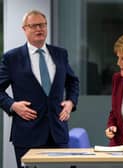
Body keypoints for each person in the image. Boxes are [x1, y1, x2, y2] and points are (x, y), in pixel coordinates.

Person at [0, 10, 79, 168]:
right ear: (24, 29)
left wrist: (71, 102)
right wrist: (12, 105)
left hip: (57, 133)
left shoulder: (60, 54)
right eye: (33, 25)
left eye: (42, 25)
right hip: (27, 133)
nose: (39, 29)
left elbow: (73, 81)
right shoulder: (12, 58)